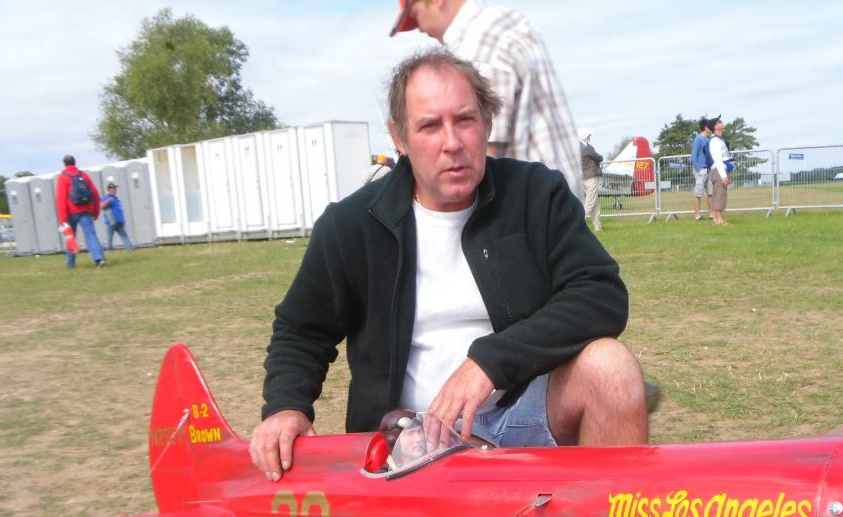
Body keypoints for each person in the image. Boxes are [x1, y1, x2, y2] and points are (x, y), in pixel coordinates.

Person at [249, 49, 646, 481]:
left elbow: (600, 294)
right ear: (399, 137)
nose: (452, 142)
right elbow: (302, 330)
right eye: (429, 126)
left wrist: (489, 364)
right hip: (410, 438)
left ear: (487, 123)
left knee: (612, 369)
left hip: (523, 413)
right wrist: (286, 407)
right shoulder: (351, 225)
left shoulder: (536, 194)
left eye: (465, 120)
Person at [390, 0, 583, 200]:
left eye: (416, 15)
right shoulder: (510, 22)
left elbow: (483, 151)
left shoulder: (478, 42)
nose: (420, 29)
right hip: (555, 196)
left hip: (526, 203)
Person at [54, 155, 106, 268]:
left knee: (70, 236)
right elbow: (95, 194)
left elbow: (61, 199)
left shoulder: (63, 177)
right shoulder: (83, 175)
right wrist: (96, 212)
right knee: (91, 235)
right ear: (74, 162)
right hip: (86, 210)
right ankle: (99, 259)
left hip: (71, 212)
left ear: (64, 164)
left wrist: (62, 219)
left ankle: (70, 263)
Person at [707, 117, 731, 226]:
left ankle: (716, 219)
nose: (722, 122)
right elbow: (717, 159)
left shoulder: (718, 139)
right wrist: (724, 176)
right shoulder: (715, 141)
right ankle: (719, 219)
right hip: (718, 170)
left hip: (719, 169)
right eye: (719, 122)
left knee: (718, 194)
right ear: (715, 127)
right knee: (720, 194)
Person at [99, 183, 135, 251]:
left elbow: (119, 210)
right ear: (110, 189)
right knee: (110, 237)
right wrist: (108, 201)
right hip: (110, 222)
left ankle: (129, 247)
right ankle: (109, 249)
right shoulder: (106, 197)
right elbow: (101, 206)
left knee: (124, 235)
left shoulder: (116, 198)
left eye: (115, 188)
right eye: (114, 188)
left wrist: (122, 219)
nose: (116, 190)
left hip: (119, 222)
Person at [579, 128, 603, 231]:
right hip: (591, 177)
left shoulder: (578, 147)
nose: (590, 137)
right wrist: (601, 156)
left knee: (594, 203)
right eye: (589, 135)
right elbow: (599, 158)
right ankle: (577, 223)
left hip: (583, 178)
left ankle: (598, 227)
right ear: (585, 137)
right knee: (590, 202)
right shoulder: (588, 148)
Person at [691, 116, 712, 222]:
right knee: (698, 193)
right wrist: (698, 169)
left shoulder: (708, 139)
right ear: (705, 127)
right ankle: (697, 215)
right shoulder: (698, 139)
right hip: (701, 170)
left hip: (709, 169)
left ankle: (712, 214)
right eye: (710, 126)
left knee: (711, 193)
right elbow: (693, 156)